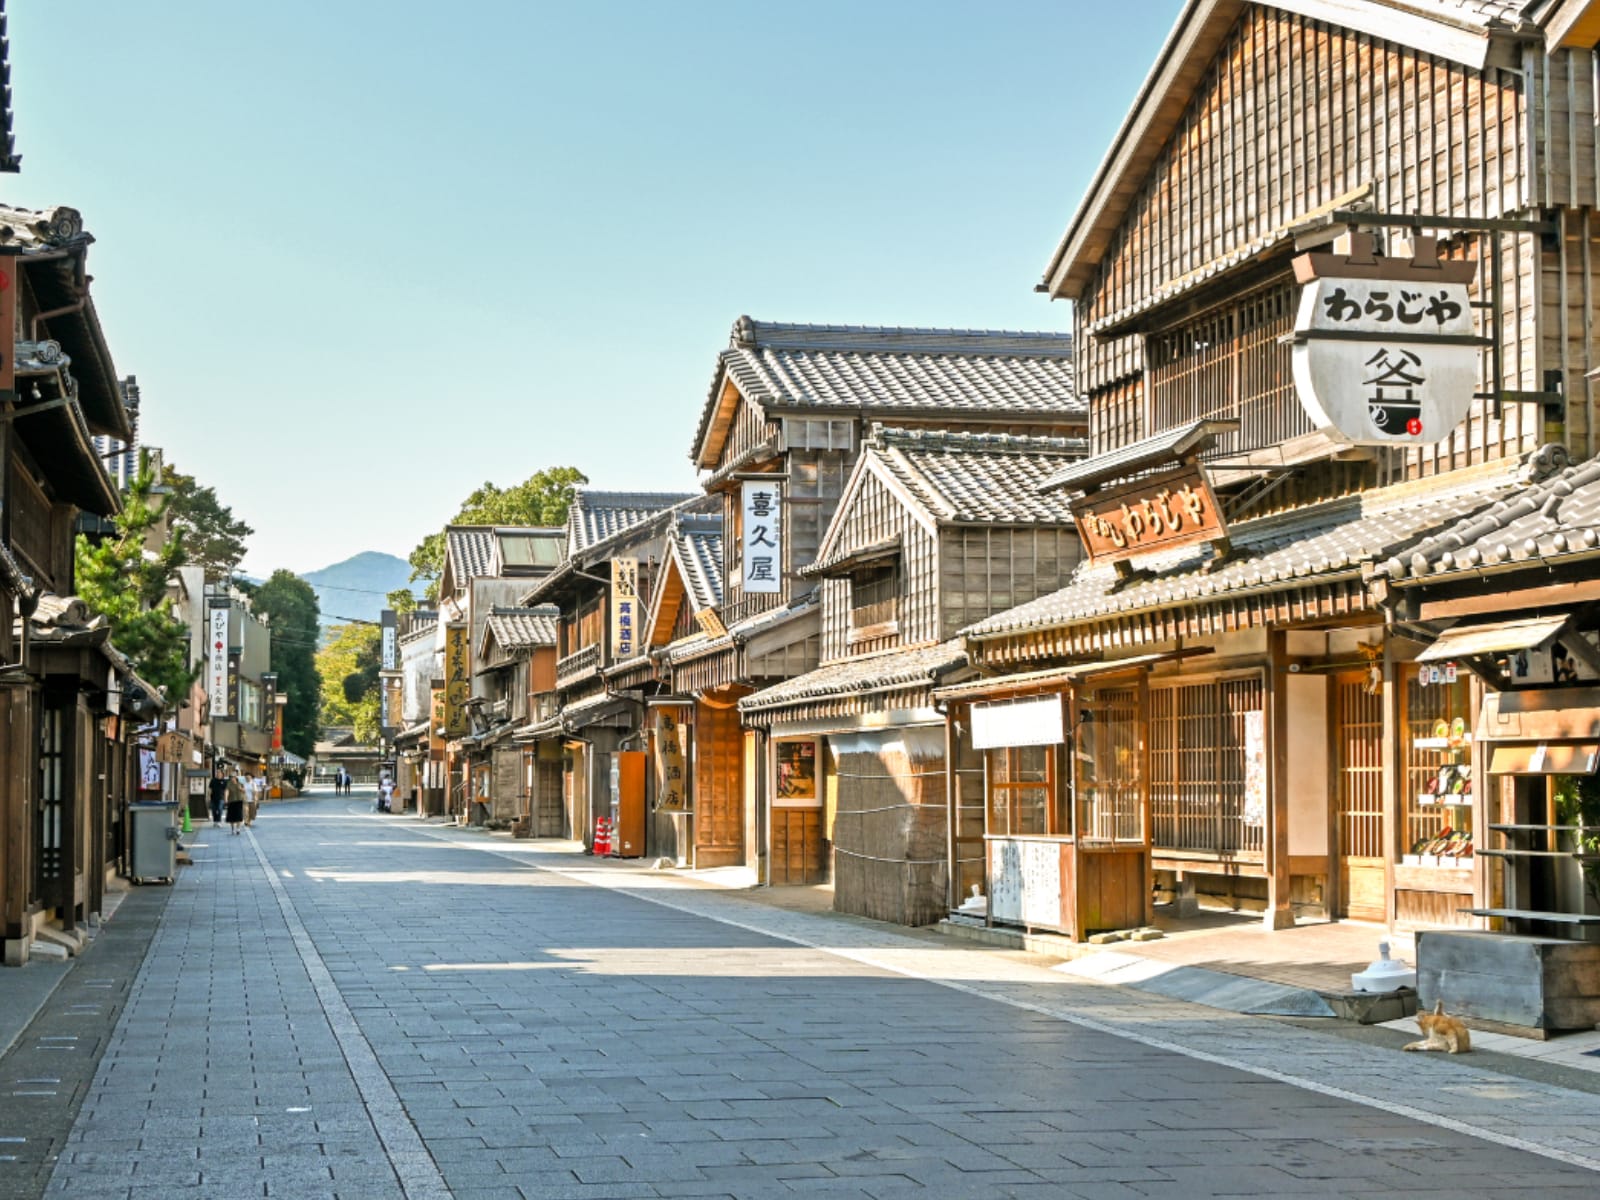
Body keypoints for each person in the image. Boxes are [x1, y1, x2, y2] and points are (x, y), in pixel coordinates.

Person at [225, 772, 247, 836]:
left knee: (239, 816)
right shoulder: (229, 784)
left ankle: (238, 829)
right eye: (231, 777)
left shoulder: (240, 783)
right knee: (231, 816)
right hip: (231, 801)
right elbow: (227, 791)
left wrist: (240, 788)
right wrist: (226, 798)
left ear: (236, 777)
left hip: (239, 801)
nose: (232, 778)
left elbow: (244, 791)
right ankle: (232, 829)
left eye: (233, 777)